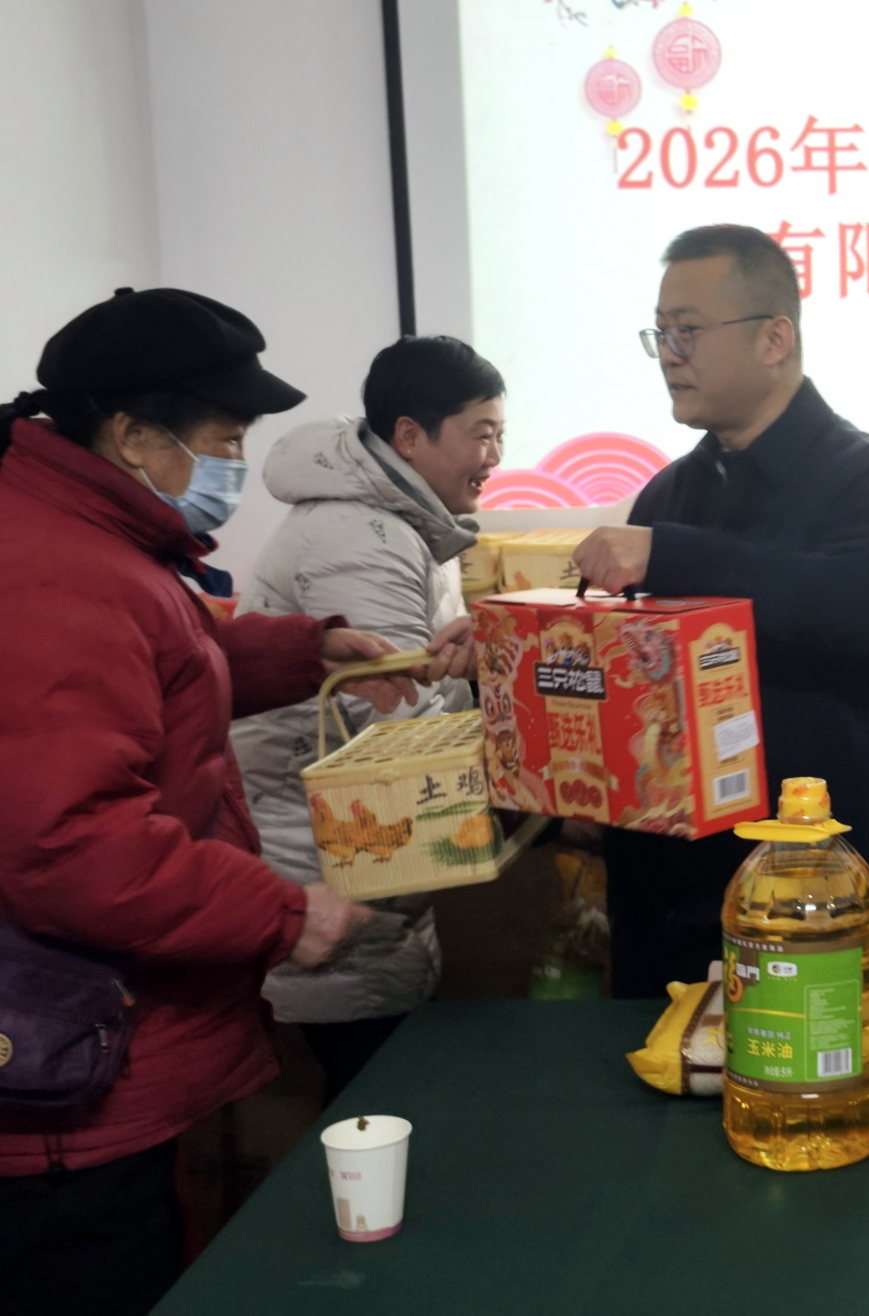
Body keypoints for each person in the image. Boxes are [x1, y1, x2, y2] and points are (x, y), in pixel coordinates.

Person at [0, 288, 431, 1315]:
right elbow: (73, 846)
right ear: (132, 434)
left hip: (91, 1044)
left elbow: (155, 667)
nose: (237, 463)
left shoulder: (85, 533)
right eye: (225, 439)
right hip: (67, 1077)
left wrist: (306, 650)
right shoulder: (57, 573)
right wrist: (282, 910)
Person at [571, 225, 869, 998]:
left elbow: (861, 603)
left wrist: (669, 556)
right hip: (658, 888)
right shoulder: (667, 491)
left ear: (774, 338)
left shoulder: (861, 472)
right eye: (660, 333)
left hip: (794, 878)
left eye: (688, 330)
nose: (669, 354)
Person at [231, 336, 501, 1102]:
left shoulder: (394, 522)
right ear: (410, 436)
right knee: (366, 1105)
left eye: (500, 435)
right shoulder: (358, 538)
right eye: (481, 434)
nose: (493, 456)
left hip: (359, 868)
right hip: (332, 873)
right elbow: (400, 734)